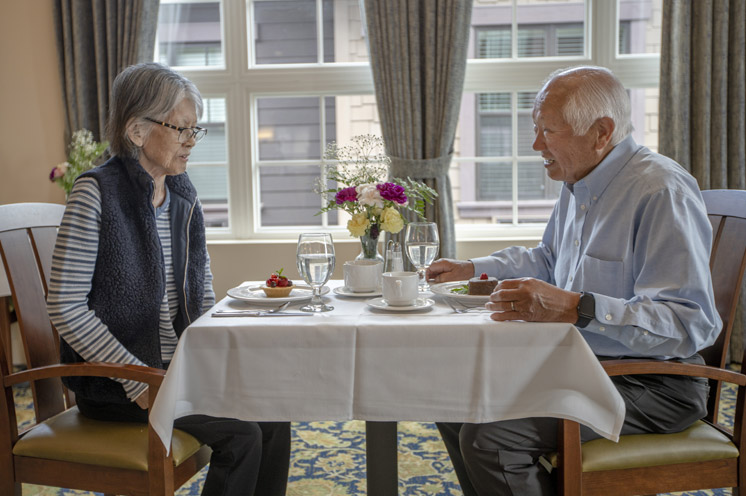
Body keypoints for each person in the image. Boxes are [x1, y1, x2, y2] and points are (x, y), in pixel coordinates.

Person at [426, 66, 722, 496]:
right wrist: (472, 268)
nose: (536, 145)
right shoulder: (582, 180)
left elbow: (686, 323)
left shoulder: (661, 190)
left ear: (601, 132)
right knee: (454, 400)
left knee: (491, 439)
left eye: (548, 131)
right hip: (588, 368)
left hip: (656, 382)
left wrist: (573, 307)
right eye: (536, 129)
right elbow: (548, 260)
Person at [47, 62, 290, 496]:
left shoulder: (181, 192)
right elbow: (64, 307)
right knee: (244, 435)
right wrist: (136, 377)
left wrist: (216, 352)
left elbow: (202, 284)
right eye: (180, 129)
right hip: (117, 384)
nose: (191, 142)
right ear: (137, 131)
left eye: (195, 130)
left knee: (274, 412)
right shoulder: (95, 193)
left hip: (178, 372)